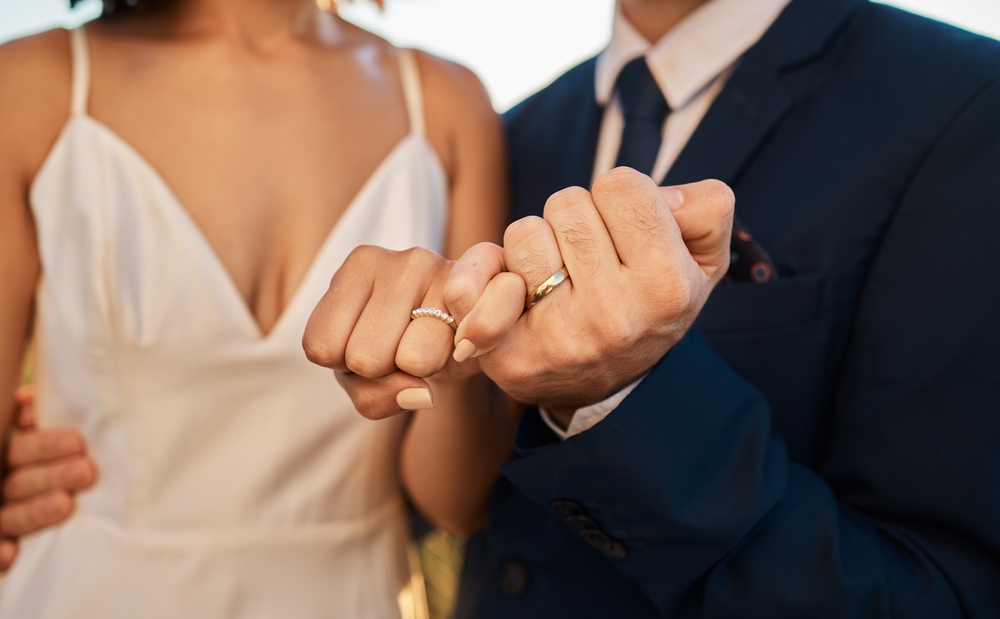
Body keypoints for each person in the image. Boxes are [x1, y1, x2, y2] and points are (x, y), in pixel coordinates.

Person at [303, 0, 1000, 616]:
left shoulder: (966, 104)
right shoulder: (518, 131)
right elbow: (467, 505)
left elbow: (941, 591)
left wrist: (621, 391)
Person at [0, 0, 515, 616]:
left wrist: (452, 375)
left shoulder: (447, 104)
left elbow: (458, 502)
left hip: (355, 596)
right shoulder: (33, 84)